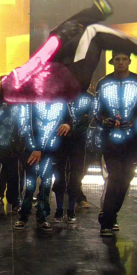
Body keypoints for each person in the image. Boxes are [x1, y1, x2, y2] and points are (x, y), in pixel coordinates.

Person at [0, 0, 137, 113]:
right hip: (72, 77)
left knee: (58, 33)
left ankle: (99, 10)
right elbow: (37, 61)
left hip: (62, 72)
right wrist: (59, 39)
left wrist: (59, 37)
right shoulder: (10, 88)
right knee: (93, 33)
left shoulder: (7, 86)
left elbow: (39, 72)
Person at [92, 51, 137, 236]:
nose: (120, 62)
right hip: (110, 139)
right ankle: (106, 221)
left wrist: (135, 123)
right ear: (112, 62)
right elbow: (95, 111)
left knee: (126, 179)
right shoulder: (103, 83)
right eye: (117, 59)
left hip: (134, 140)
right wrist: (104, 121)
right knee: (115, 177)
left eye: (124, 59)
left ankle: (111, 215)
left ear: (129, 61)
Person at [15, 101, 69, 232]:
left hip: (50, 151)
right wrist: (36, 147)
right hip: (32, 151)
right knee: (30, 184)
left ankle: (42, 216)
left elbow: (69, 119)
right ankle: (24, 215)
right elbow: (27, 125)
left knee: (46, 184)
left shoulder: (61, 102)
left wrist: (68, 125)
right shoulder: (32, 102)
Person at [52, 91, 93, 224]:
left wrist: (70, 125)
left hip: (78, 142)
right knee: (60, 175)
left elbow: (88, 120)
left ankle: (70, 210)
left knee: (75, 175)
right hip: (60, 140)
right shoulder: (60, 95)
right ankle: (61, 210)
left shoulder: (88, 98)